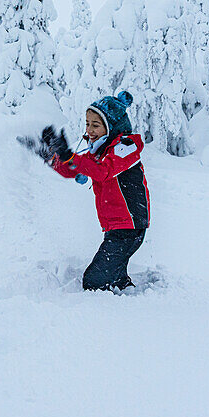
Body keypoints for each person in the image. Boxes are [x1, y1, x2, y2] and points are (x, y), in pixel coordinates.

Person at [42, 91, 149, 292]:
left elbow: (103, 172)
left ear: (111, 126)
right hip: (116, 228)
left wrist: (70, 156)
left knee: (94, 281)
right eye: (87, 124)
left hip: (129, 228)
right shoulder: (101, 151)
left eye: (95, 125)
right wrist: (53, 158)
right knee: (113, 275)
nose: (89, 130)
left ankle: (115, 313)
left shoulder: (126, 147)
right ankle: (125, 290)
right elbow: (74, 170)